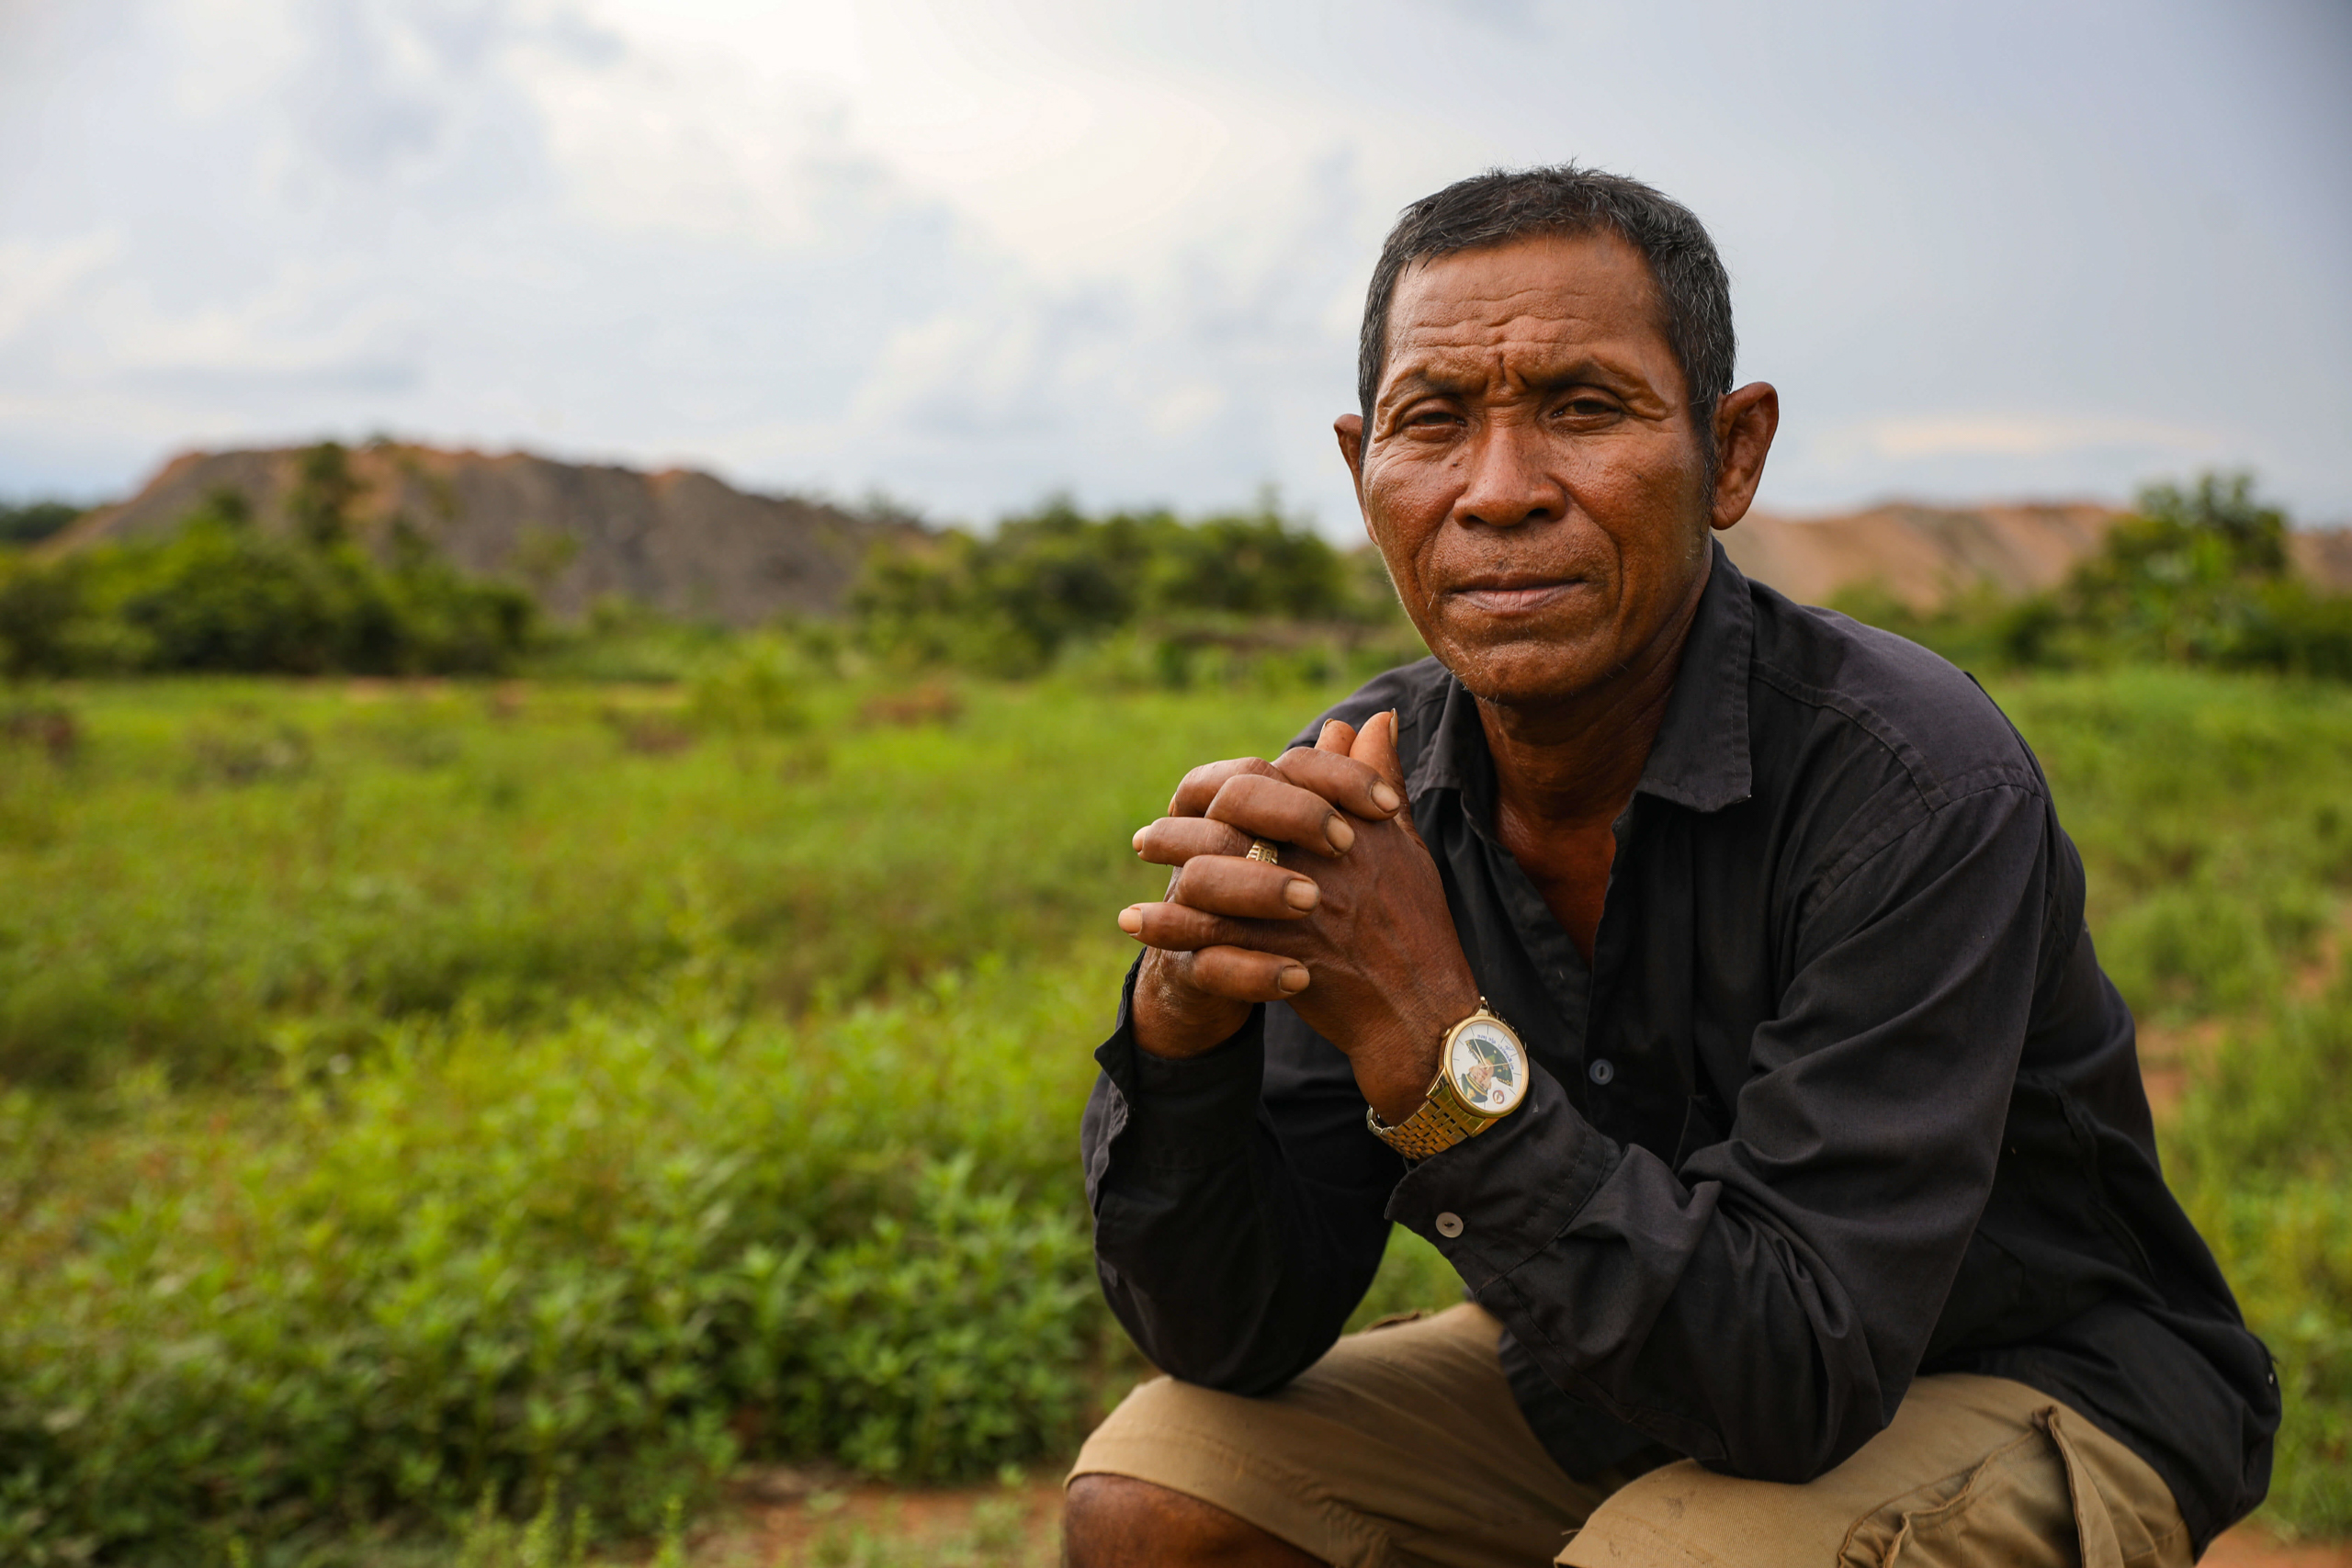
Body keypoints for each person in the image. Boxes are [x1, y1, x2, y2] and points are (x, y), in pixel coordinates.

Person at [1063, 166, 2277, 1568]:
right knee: (1159, 1489)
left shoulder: (1914, 784)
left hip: (2022, 1373)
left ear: (1732, 454)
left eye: (1583, 409)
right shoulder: (1372, 790)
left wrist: (1431, 1040)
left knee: (1670, 1558)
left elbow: (1799, 1377)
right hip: (1640, 1361)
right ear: (1362, 470)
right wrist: (1181, 1036)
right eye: (1433, 424)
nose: (1498, 493)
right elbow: (1229, 1335)